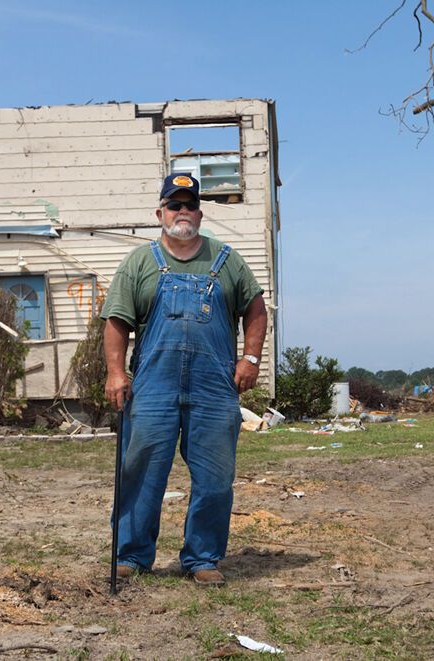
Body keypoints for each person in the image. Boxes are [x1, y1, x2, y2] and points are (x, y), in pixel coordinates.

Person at [101, 173, 267, 586]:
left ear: (200, 212)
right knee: (139, 470)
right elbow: (117, 321)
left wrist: (249, 358)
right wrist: (116, 372)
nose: (182, 212)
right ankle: (131, 555)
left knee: (215, 475)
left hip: (214, 387)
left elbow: (257, 310)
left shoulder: (227, 260)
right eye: (174, 205)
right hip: (154, 386)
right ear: (160, 213)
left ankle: (203, 558)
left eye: (189, 205)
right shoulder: (139, 262)